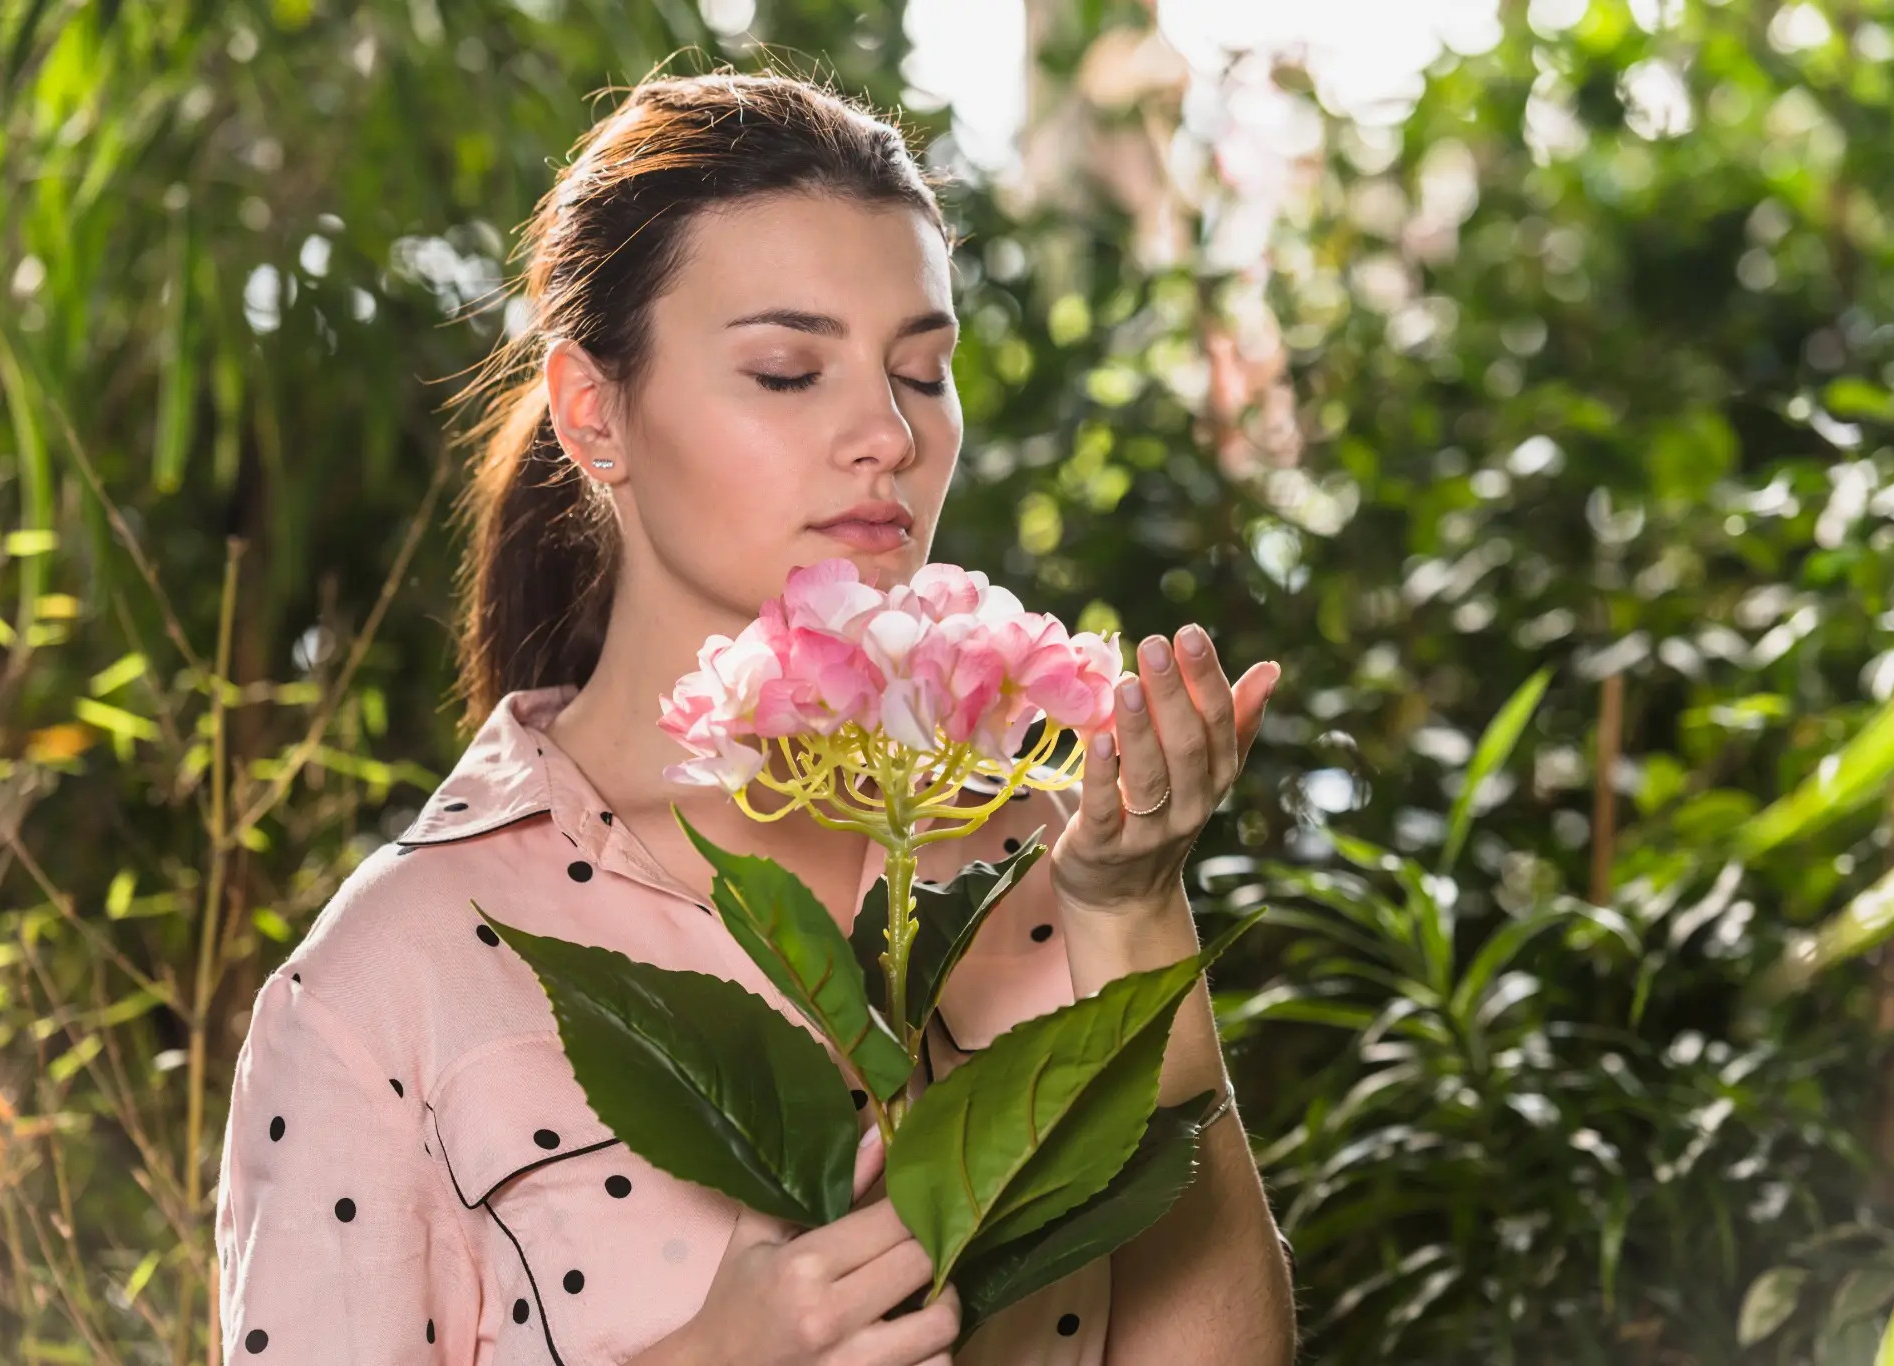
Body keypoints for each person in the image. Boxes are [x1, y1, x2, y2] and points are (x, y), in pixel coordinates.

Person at [213, 70, 1296, 1366]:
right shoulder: (387, 977)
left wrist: (1130, 902)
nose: (888, 433)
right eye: (788, 372)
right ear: (593, 413)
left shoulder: (1041, 856)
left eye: (923, 371)